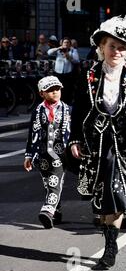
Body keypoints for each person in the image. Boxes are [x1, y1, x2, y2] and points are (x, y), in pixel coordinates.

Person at [69, 15, 126, 269]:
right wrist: (75, 138)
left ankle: (110, 247)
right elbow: (78, 109)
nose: (117, 52)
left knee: (118, 193)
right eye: (112, 46)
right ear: (101, 47)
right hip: (96, 145)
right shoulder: (89, 74)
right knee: (101, 198)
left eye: (122, 47)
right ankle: (108, 231)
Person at [24, 76, 71, 229]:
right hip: (42, 156)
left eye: (57, 89)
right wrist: (29, 155)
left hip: (60, 155)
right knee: (48, 184)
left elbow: (75, 132)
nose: (55, 92)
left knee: (54, 183)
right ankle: (57, 212)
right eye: (50, 90)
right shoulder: (37, 111)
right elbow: (32, 134)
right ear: (41, 94)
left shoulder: (68, 110)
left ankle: (47, 211)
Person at [47, 37, 80, 104]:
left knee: (67, 91)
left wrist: (68, 56)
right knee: (57, 90)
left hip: (68, 74)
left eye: (67, 42)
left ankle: (66, 105)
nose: (66, 44)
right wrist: (58, 48)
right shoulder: (58, 50)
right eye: (64, 42)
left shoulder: (73, 50)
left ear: (70, 44)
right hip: (58, 74)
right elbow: (49, 53)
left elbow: (77, 61)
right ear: (62, 43)